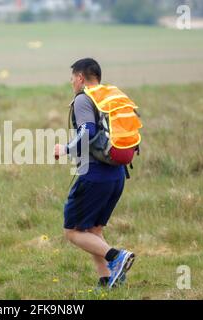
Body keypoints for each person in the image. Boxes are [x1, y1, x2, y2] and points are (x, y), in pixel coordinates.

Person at [54, 58, 135, 289]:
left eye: (72, 79)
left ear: (80, 78)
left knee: (72, 231)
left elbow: (87, 131)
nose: (72, 83)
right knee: (93, 230)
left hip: (95, 176)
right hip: (117, 174)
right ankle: (109, 278)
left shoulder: (83, 99)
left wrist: (66, 149)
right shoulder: (111, 97)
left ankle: (116, 256)